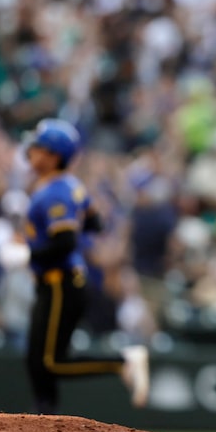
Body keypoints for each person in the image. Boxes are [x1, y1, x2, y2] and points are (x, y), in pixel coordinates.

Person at [22, 118, 149, 415]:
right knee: (35, 359)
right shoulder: (69, 185)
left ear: (54, 155)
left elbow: (65, 242)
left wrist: (26, 254)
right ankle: (44, 415)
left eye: (38, 147)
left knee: (51, 361)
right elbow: (95, 222)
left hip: (60, 282)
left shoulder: (56, 191)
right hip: (58, 281)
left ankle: (123, 362)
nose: (31, 151)